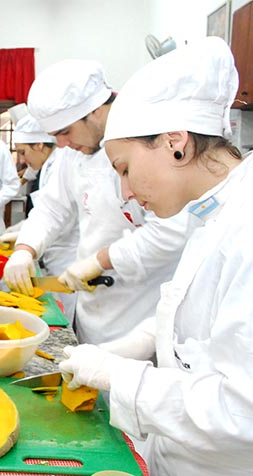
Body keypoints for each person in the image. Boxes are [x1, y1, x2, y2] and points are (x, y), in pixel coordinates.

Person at [59, 37, 253, 476]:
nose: (126, 192)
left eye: (125, 168)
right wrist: (143, 342)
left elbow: (242, 412)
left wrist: (122, 378)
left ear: (175, 143)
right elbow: (198, 323)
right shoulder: (212, 214)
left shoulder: (247, 227)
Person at [3, 59, 192, 345]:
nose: (62, 144)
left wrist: (102, 260)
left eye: (65, 132)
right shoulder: (73, 152)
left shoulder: (147, 141)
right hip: (90, 303)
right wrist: (25, 249)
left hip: (140, 315)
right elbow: (53, 207)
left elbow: (172, 230)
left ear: (94, 111)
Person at [0, 112, 80, 322]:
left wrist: (24, 243)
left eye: (24, 152)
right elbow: (50, 209)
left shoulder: (62, 160)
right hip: (54, 256)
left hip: (69, 260)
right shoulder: (51, 165)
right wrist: (23, 235)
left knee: (65, 318)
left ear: (40, 145)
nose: (23, 159)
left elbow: (60, 216)